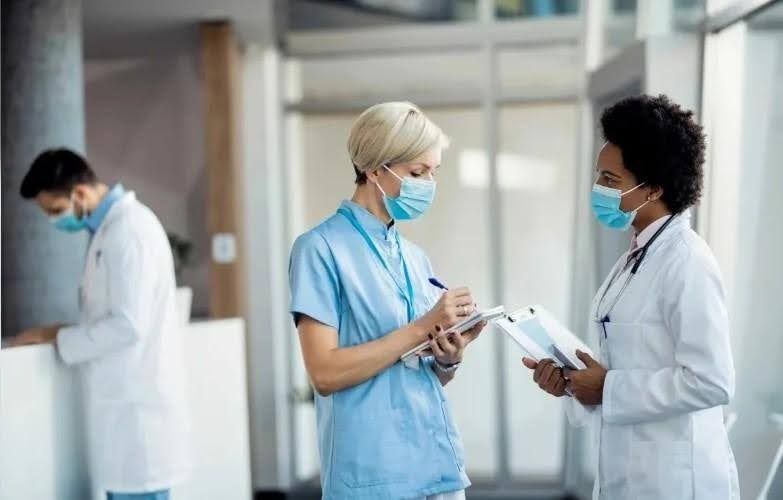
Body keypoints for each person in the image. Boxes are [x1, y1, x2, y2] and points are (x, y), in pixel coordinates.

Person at [522, 95, 739, 499]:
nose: (597, 189)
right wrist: (573, 382)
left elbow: (712, 382)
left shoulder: (687, 261)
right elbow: (624, 361)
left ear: (654, 187)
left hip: (675, 481)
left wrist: (609, 388)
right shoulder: (635, 257)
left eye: (610, 180)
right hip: (627, 472)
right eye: (598, 176)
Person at [289, 102, 485, 500]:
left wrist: (449, 355)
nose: (428, 183)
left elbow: (424, 371)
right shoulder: (319, 249)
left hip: (437, 468)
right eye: (417, 173)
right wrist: (420, 326)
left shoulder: (414, 257)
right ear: (375, 169)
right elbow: (324, 373)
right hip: (372, 473)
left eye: (433, 172)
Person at [12, 149, 191, 500]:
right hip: (124, 422)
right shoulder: (109, 232)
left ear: (79, 194)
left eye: (54, 211)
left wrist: (58, 338)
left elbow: (128, 324)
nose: (54, 221)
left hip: (140, 422)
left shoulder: (131, 231)